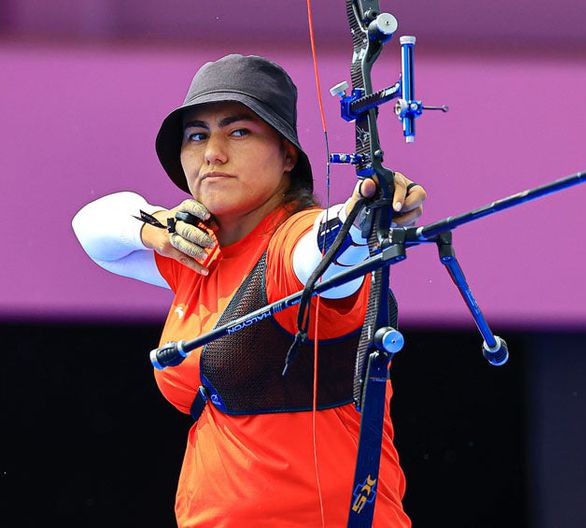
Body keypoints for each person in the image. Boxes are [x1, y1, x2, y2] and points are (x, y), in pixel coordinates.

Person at [72, 53, 425, 527]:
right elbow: (91, 230)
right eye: (197, 135)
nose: (212, 153)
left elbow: (324, 249)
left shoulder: (290, 242)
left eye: (238, 132)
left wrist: (362, 216)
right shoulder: (196, 252)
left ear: (287, 155)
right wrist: (154, 228)